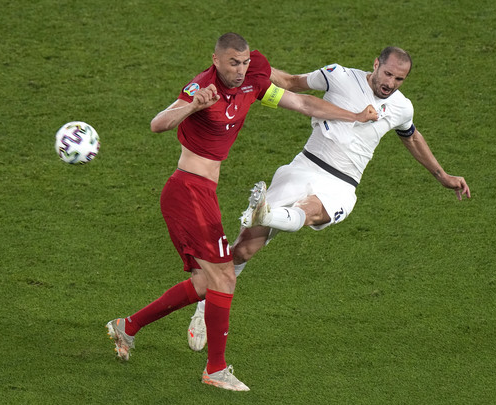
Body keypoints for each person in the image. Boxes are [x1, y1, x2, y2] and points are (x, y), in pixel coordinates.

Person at [105, 32, 378, 392]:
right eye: (233, 63)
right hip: (186, 190)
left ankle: (128, 326)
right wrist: (193, 105)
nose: (241, 69)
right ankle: (215, 369)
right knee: (226, 278)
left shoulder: (251, 83)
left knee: (207, 282)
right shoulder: (201, 88)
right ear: (215, 60)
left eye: (245, 61)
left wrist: (355, 116)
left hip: (205, 193)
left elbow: (304, 104)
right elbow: (159, 124)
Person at [186, 46, 471, 353]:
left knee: (309, 212)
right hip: (304, 166)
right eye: (387, 74)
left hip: (341, 184)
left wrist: (442, 176)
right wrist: (248, 69)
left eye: (399, 78)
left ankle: (264, 213)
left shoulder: (402, 107)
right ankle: (204, 307)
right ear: (375, 64)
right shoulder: (339, 76)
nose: (391, 83)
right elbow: (293, 82)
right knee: (242, 251)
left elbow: (412, 137)